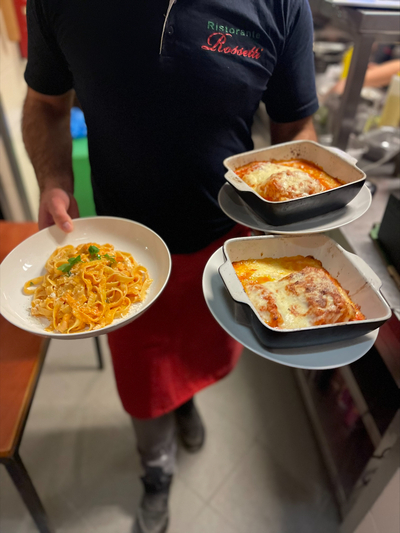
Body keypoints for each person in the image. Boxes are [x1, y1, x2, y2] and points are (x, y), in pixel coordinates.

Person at [22, 1, 318, 532]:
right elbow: (45, 103)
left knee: (201, 354)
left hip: (224, 241)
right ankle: (155, 469)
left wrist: (295, 207)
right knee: (142, 379)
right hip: (122, 255)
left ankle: (184, 402)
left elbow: (295, 124)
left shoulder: (280, 4)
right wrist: (53, 181)